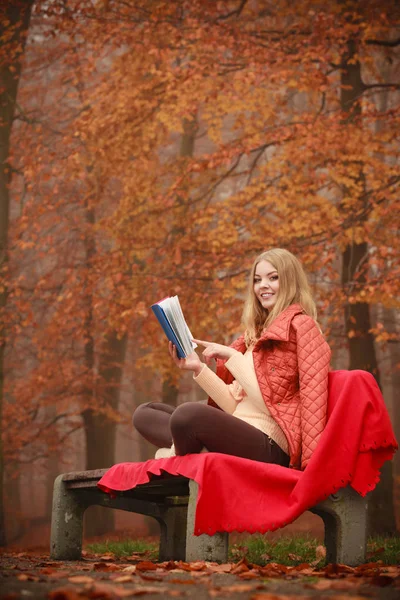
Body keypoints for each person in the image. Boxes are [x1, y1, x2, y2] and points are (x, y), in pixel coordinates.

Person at [133, 248, 331, 470]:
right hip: (240, 429)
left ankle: (174, 456)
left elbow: (274, 406)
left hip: (270, 444)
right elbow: (235, 406)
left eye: (273, 278)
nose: (262, 285)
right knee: (145, 413)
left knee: (186, 415)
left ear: (290, 281)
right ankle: (195, 452)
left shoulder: (302, 327)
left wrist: (233, 357)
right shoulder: (256, 334)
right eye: (257, 280)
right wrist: (198, 369)